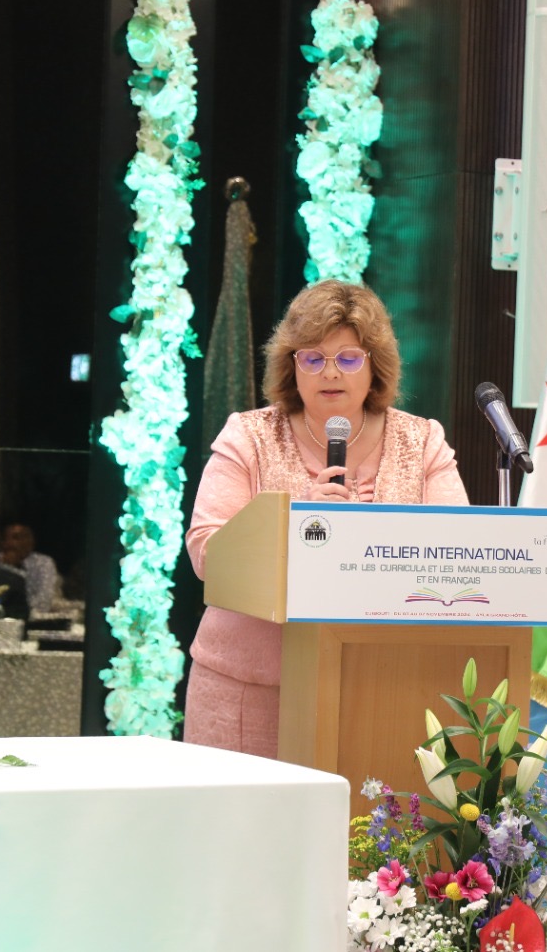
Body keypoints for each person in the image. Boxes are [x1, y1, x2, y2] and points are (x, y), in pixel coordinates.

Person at [183, 280, 468, 757]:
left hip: (387, 683)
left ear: (374, 365)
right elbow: (207, 554)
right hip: (251, 686)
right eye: (313, 358)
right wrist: (296, 522)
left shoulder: (422, 442)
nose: (330, 372)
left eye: (348, 358)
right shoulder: (248, 436)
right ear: (291, 366)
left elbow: (456, 551)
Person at [0, 522, 60, 616]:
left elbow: (43, 603)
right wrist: (8, 567)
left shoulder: (44, 562)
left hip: (33, 619)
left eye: (27, 536)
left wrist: (21, 609)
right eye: (17, 537)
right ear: (4, 542)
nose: (25, 542)